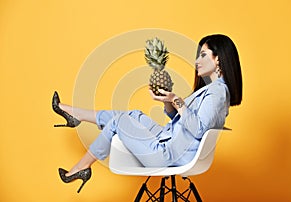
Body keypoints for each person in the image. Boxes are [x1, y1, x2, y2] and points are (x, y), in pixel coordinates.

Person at [52, 34, 243, 193]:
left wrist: (177, 99)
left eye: (203, 55)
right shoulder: (212, 89)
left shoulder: (217, 92)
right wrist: (168, 103)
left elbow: (199, 129)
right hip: (169, 143)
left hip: (169, 154)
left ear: (218, 58)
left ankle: (82, 167)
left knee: (119, 122)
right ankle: (77, 115)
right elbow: (182, 121)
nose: (196, 61)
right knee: (134, 115)